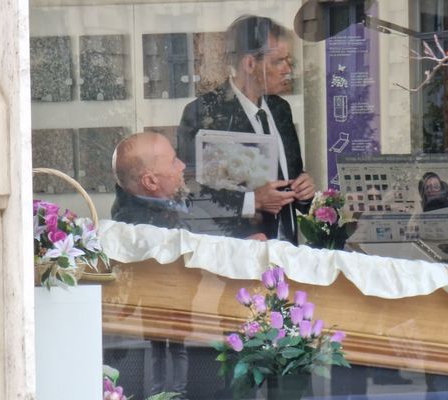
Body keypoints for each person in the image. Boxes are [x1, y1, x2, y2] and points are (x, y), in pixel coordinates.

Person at [110, 132, 265, 398]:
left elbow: (205, 234)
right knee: (166, 352)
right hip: (181, 314)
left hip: (201, 317)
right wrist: (243, 248)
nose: (183, 165)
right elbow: (188, 248)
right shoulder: (140, 222)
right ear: (150, 181)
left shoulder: (171, 202)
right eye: (173, 162)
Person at [177, 15, 315, 244]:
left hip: (288, 250)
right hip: (238, 252)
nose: (288, 69)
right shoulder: (203, 113)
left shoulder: (281, 109)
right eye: (279, 61)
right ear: (250, 64)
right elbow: (190, 195)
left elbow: (290, 177)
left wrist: (304, 192)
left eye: (289, 60)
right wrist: (252, 201)